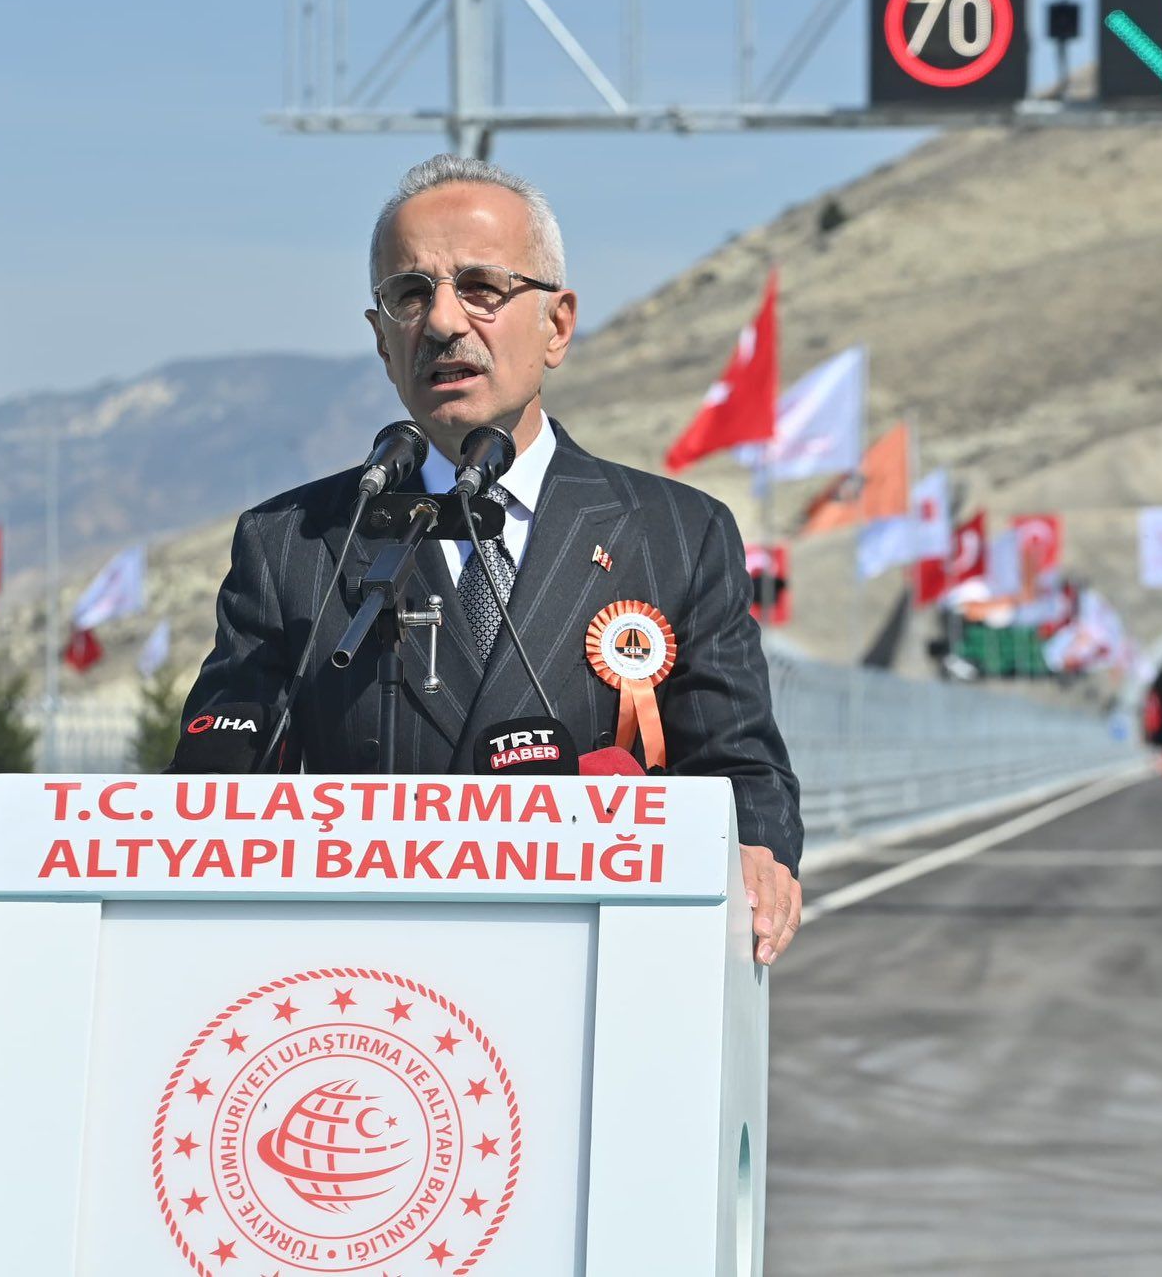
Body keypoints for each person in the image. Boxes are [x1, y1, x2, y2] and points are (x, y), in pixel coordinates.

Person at [183, 154, 802, 964]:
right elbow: (210, 796)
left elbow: (740, 769)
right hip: (370, 980)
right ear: (381, 340)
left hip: (599, 972)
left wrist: (754, 855)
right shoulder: (289, 542)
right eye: (410, 295)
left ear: (557, 325)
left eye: (481, 287)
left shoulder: (677, 535)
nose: (443, 322)